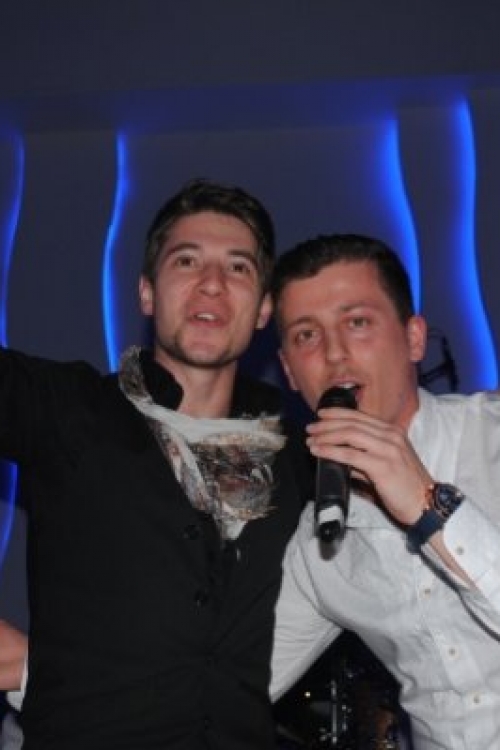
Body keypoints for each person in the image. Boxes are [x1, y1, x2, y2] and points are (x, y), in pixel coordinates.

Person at [0, 179, 307, 749]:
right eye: (186, 260)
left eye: (238, 267)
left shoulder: (299, 455)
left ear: (264, 308)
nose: (212, 282)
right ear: (146, 293)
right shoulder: (71, 411)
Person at [269, 233, 500, 750]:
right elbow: (231, 686)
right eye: (306, 335)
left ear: (414, 339)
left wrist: (427, 504)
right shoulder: (318, 543)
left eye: (357, 322)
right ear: (289, 372)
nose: (334, 354)